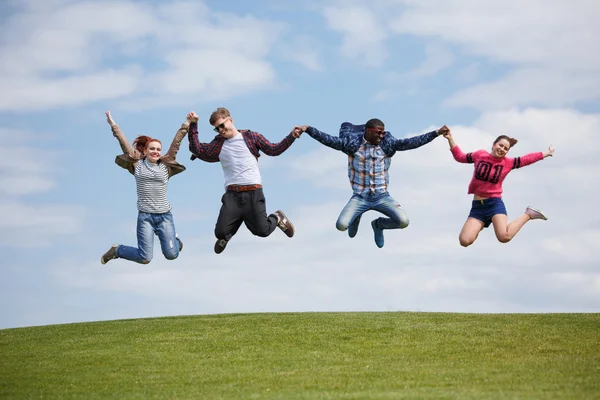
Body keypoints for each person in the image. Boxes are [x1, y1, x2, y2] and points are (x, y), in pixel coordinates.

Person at [296, 120, 449, 248]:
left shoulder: (387, 144)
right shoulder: (352, 144)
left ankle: (378, 225)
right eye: (378, 133)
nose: (382, 136)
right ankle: (357, 215)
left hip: (382, 197)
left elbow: (411, 142)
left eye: (383, 133)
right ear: (368, 132)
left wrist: (436, 133)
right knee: (341, 226)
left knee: (404, 221)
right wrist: (308, 129)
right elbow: (328, 140)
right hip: (360, 197)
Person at [187, 108, 300, 254]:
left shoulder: (251, 137)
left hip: (253, 192)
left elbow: (274, 149)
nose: (221, 130)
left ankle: (277, 217)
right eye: (217, 129)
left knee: (262, 231)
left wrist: (291, 136)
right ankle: (228, 233)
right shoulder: (218, 144)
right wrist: (193, 125)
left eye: (222, 125)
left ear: (231, 120)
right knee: (220, 233)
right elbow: (197, 149)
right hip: (232, 195)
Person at [101, 111, 190, 264]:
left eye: (158, 149)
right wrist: (113, 124)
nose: (155, 151)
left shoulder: (165, 166)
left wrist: (187, 124)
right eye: (152, 149)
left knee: (172, 255)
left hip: (164, 217)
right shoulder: (137, 164)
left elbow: (176, 143)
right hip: (145, 218)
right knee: (145, 258)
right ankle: (117, 250)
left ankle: (176, 241)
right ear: (146, 151)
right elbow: (124, 143)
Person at [442, 129, 555, 247]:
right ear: (494, 144)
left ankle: (529, 214)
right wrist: (450, 139)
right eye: (500, 145)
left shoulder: (508, 163)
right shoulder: (479, 155)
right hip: (477, 207)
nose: (502, 149)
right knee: (465, 241)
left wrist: (545, 154)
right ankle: (480, 224)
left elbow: (526, 159)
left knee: (504, 236)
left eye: (506, 149)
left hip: (494, 204)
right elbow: (460, 157)